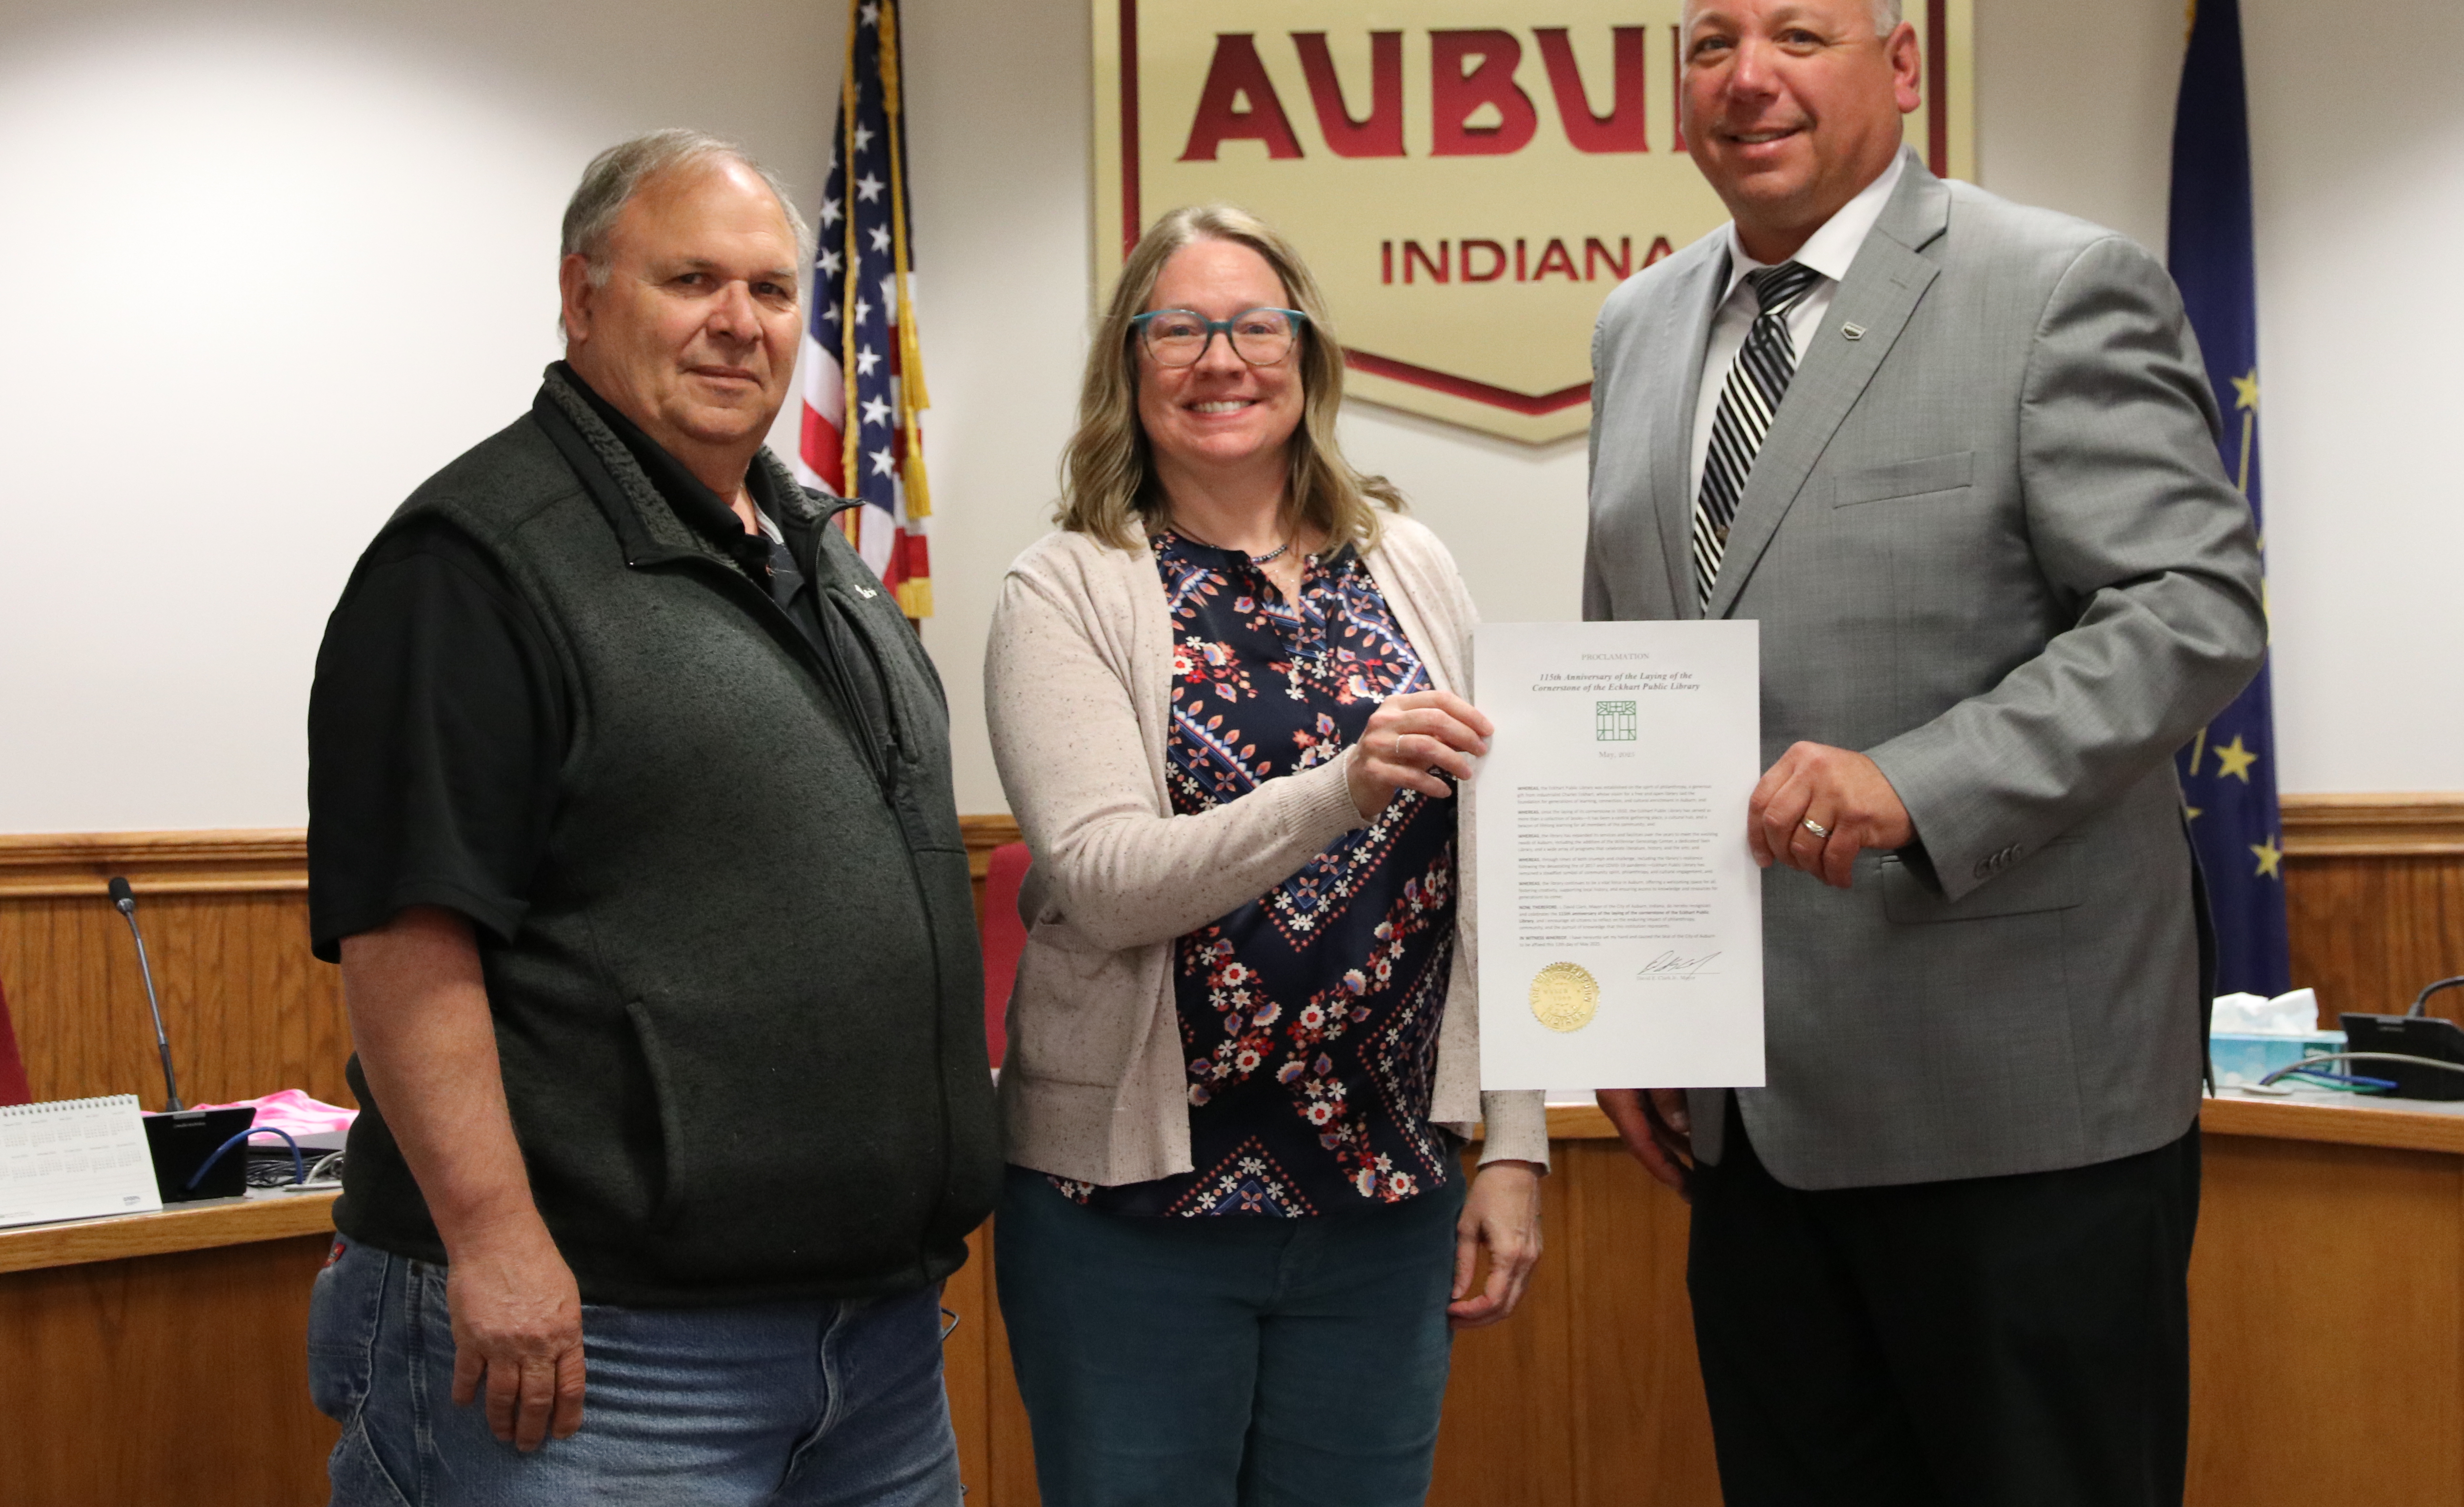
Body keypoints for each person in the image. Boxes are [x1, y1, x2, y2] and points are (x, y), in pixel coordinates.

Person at [1586, 0, 2266, 1506]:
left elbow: (2192, 603)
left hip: (2020, 1113)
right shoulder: (1637, 329)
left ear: (1900, 67)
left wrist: (1925, 780)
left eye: (1798, 37)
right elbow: (1640, 668)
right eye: (1711, 46)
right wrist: (1624, 995)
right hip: (1748, 1125)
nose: (1749, 77)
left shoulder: (2054, 289)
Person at [302, 130, 998, 1505]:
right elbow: (405, 940)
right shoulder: (475, 565)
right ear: (581, 296)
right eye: (691, 280)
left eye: (773, 292)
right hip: (595, 1355)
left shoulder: (817, 552)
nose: (741, 326)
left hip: (871, 1351)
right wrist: (496, 1246)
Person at [983, 204, 1546, 1507]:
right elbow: (1106, 880)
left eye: (1253, 325)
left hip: (1382, 1203)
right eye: (1177, 328)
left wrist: (1512, 1143)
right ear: (1129, 368)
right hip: (1130, 1219)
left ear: (1309, 355)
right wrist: (1339, 789)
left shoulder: (1410, 564)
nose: (1219, 358)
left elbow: (1495, 870)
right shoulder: (1067, 586)